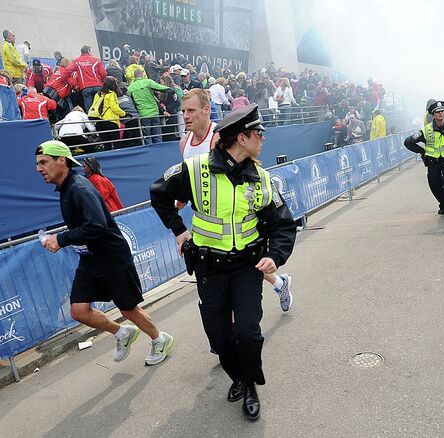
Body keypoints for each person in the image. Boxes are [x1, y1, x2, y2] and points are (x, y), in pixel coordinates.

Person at [150, 104, 297, 421]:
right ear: (242, 139)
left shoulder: (261, 179)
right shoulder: (195, 169)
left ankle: (251, 384)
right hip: (209, 269)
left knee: (248, 331)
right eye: (259, 133)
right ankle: (240, 377)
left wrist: (274, 255)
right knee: (219, 338)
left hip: (247, 267)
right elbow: (159, 193)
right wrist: (179, 231)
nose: (263, 139)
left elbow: (283, 224)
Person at [35, 140, 174, 366]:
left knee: (129, 310)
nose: (39, 168)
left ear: (61, 160)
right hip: (90, 260)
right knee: (78, 311)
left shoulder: (79, 188)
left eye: (43, 162)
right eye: (37, 164)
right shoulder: (66, 187)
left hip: (112, 259)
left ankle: (160, 339)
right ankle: (121, 333)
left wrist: (60, 239)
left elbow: (97, 225)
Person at [179, 91, 295, 309]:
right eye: (183, 111)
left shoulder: (219, 138)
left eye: (191, 110)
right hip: (210, 225)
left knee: (246, 268)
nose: (185, 116)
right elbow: (190, 180)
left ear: (206, 110)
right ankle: (280, 283)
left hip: (238, 215)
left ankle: (276, 286)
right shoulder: (184, 142)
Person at [404, 101, 444, 214]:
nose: (440, 113)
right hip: (433, 161)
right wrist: (422, 151)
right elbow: (408, 142)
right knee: (434, 185)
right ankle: (442, 204)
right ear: (433, 115)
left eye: (442, 111)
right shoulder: (426, 130)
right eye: (437, 112)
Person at [127, 69, 173, 144]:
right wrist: (172, 89)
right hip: (154, 112)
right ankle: (159, 150)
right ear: (142, 74)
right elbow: (161, 88)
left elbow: (131, 102)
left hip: (143, 114)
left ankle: (150, 153)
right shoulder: (148, 82)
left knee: (147, 136)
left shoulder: (130, 88)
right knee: (157, 135)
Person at [61, 45, 107, 112]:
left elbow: (67, 71)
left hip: (85, 88)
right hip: (98, 86)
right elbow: (103, 73)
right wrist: (102, 82)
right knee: (100, 108)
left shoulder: (77, 61)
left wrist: (67, 80)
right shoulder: (97, 60)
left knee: (89, 110)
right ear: (88, 51)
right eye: (91, 51)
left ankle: (91, 121)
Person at [88, 76, 125, 150]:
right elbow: (114, 108)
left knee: (106, 145)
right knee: (116, 144)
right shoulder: (112, 94)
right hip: (110, 121)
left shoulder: (98, 94)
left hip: (99, 122)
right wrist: (124, 114)